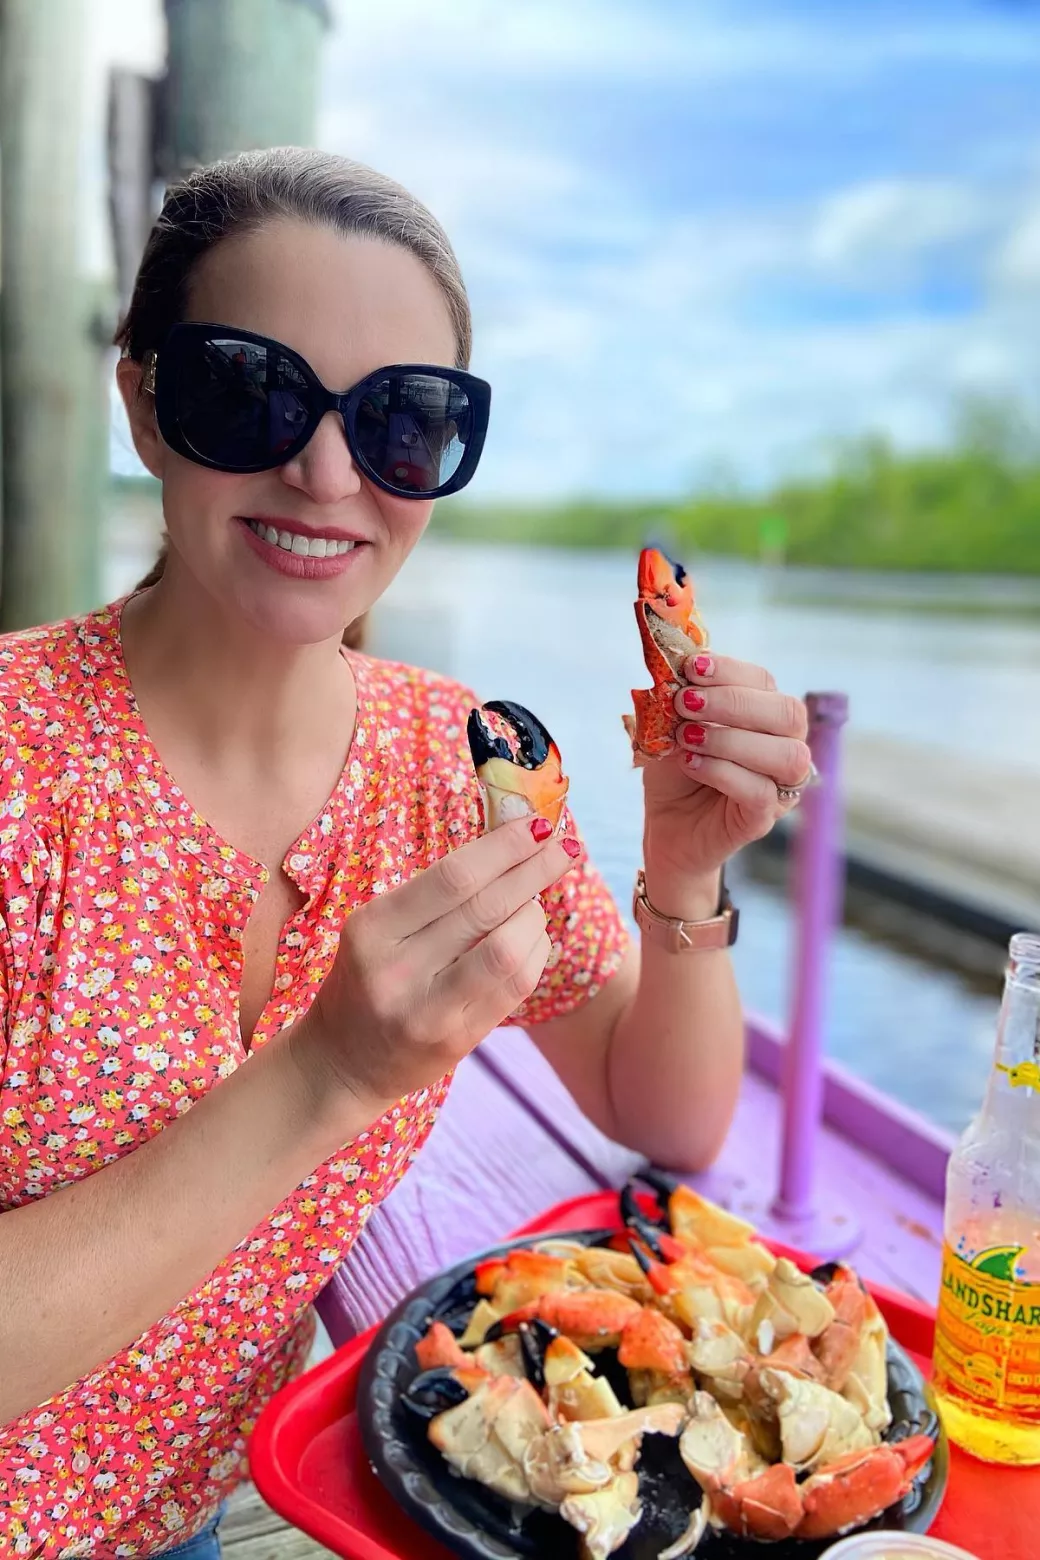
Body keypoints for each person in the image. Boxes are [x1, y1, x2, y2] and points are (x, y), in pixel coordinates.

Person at [0, 148, 811, 1558]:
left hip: (229, 1494)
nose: (325, 474)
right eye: (248, 392)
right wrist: (328, 1076)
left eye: (404, 423)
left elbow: (662, 1111)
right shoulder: (20, 763)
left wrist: (683, 874)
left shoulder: (466, 763)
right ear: (142, 400)